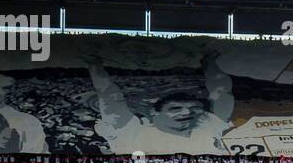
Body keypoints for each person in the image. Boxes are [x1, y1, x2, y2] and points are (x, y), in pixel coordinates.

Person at [87, 52, 234, 156]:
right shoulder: (132, 133)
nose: (187, 112)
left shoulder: (209, 125)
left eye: (194, 108)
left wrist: (209, 63)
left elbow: (222, 91)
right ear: (153, 112)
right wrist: (94, 65)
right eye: (175, 108)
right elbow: (110, 96)